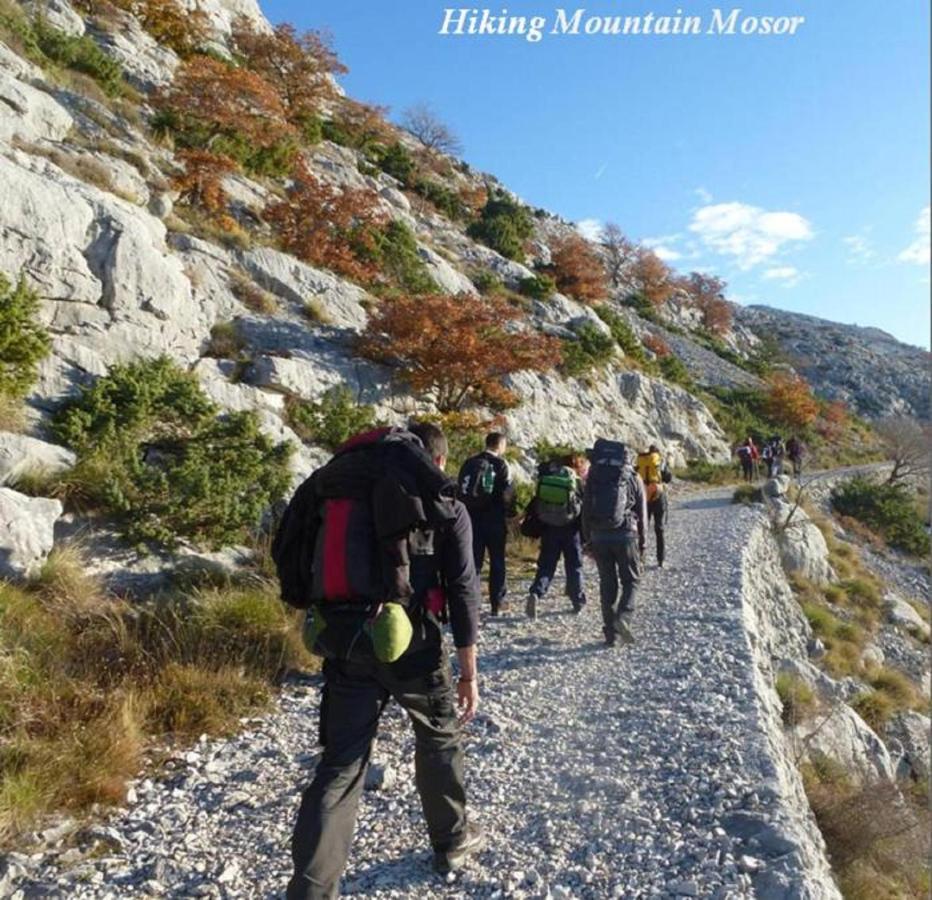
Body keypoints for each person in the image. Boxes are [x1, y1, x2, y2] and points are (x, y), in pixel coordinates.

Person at [283, 423, 484, 900]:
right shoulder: (443, 503)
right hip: (413, 643)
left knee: (341, 765)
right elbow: (463, 590)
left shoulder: (340, 491)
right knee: (438, 739)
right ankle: (451, 839)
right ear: (436, 462)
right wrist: (469, 671)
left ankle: (311, 891)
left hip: (346, 638)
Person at [582, 438, 647, 647]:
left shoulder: (592, 476)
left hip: (599, 536)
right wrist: (643, 544)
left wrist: (587, 541)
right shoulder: (632, 477)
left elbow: (584, 511)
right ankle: (623, 618)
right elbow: (642, 514)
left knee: (607, 584)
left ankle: (611, 634)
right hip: (626, 535)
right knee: (632, 581)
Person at [524, 453, 588, 620]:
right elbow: (585, 509)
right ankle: (577, 600)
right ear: (576, 466)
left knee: (546, 566)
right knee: (574, 566)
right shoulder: (576, 482)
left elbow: (536, 502)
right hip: (571, 531)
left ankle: (536, 593)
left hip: (549, 529)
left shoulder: (550, 478)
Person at [458, 433, 515, 616]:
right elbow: (508, 494)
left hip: (472, 519)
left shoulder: (470, 463)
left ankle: (471, 604)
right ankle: (498, 603)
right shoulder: (501, 465)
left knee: (474, 562)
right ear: (501, 445)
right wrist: (510, 515)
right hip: (495, 520)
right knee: (497, 561)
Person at [636, 444, 672, 568]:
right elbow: (668, 478)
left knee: (642, 529)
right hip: (658, 495)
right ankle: (660, 560)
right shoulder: (659, 461)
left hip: (644, 496)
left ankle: (640, 558)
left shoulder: (639, 460)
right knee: (659, 528)